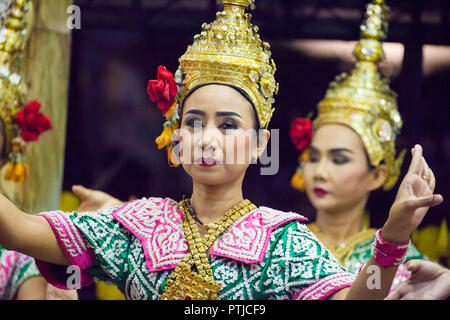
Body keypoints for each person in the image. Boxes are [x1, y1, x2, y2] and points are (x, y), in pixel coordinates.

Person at [0, 0, 443, 300]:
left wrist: (395, 234)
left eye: (228, 125)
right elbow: (16, 230)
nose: (207, 138)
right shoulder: (136, 226)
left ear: (259, 144)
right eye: (194, 123)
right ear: (176, 136)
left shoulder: (283, 242)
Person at [289, 0, 429, 292]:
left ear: (377, 175)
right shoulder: (283, 243)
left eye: (339, 159)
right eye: (314, 157)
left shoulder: (407, 262)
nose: (319, 171)